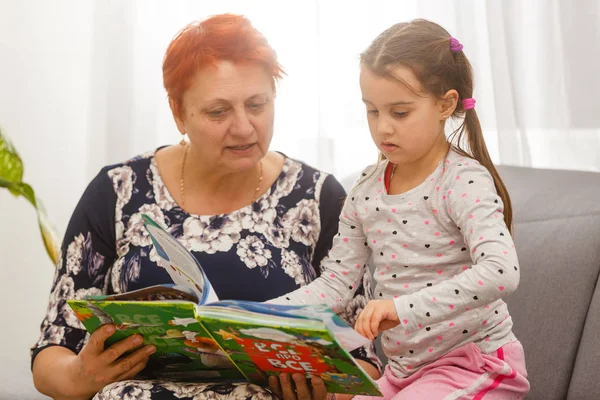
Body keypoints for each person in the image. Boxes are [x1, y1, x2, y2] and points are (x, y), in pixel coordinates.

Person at [31, 14, 381, 400]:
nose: (244, 127)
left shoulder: (318, 197)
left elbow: (365, 357)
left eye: (257, 104)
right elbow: (52, 352)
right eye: (218, 112)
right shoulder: (117, 191)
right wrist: (84, 375)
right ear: (178, 111)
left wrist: (324, 394)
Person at [269, 19, 530, 399]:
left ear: (446, 104)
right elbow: (335, 286)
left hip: (476, 363)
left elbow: (502, 273)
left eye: (400, 112)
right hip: (404, 374)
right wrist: (255, 313)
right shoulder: (366, 189)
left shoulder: (461, 181)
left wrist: (401, 307)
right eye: (372, 111)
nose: (383, 128)